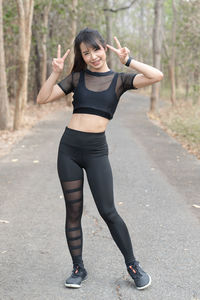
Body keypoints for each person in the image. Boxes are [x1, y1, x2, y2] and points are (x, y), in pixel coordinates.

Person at [36, 27, 163, 290]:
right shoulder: (77, 78)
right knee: (73, 211)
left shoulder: (120, 80)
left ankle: (133, 266)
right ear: (82, 56)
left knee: (108, 211)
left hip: (96, 151)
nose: (93, 56)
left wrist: (128, 60)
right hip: (68, 149)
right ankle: (78, 268)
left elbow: (156, 76)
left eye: (96, 49)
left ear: (104, 48)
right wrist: (55, 73)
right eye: (86, 52)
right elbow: (42, 98)